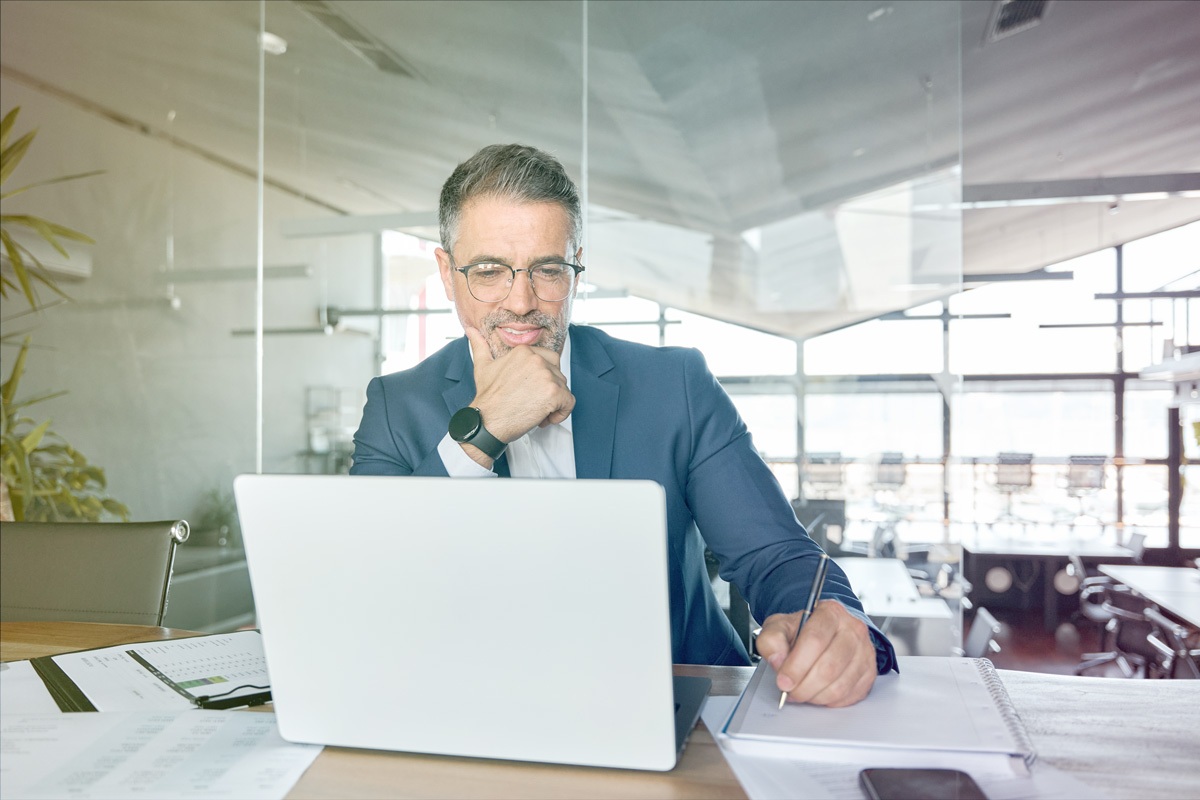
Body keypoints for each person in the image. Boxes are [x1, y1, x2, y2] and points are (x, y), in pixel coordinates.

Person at [351, 143, 897, 707]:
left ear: (576, 268)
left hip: (684, 706)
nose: (521, 301)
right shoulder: (397, 405)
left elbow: (776, 556)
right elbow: (367, 585)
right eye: (488, 271)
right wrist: (483, 431)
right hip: (482, 711)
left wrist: (833, 620)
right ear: (447, 272)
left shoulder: (674, 385)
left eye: (548, 269)